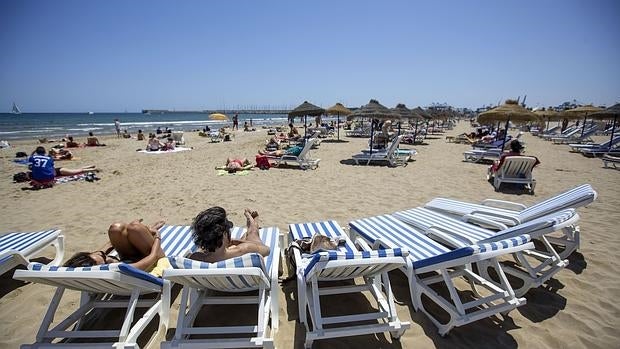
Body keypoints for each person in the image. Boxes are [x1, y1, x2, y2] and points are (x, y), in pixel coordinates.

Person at [63, 219, 171, 277]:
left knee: (115, 229)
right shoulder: (122, 269)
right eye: (105, 259)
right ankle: (143, 229)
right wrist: (156, 236)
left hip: (131, 257)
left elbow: (110, 245)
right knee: (135, 227)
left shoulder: (93, 268)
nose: (107, 256)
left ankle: (143, 229)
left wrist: (128, 233)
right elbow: (153, 256)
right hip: (154, 258)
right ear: (104, 265)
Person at [189, 207, 269, 263]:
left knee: (245, 237)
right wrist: (237, 242)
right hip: (242, 286)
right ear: (224, 234)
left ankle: (251, 228)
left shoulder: (195, 258)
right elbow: (267, 250)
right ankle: (253, 225)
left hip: (214, 285)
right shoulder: (244, 250)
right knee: (253, 235)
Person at [28, 146, 96, 183]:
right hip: (53, 175)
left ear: (36, 152)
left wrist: (34, 152)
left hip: (45, 176)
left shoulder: (33, 157)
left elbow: (30, 158)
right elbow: (52, 168)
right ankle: (91, 168)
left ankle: (90, 168)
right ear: (44, 152)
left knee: (75, 171)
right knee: (76, 171)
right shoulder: (49, 158)